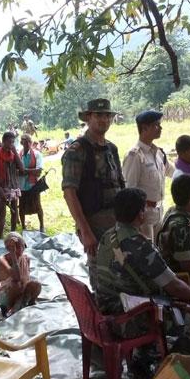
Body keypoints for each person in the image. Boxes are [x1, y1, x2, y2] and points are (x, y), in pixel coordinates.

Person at [96, 188, 190, 365]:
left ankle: (146, 355)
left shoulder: (108, 235)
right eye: (144, 209)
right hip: (127, 317)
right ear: (140, 214)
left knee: (178, 304)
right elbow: (174, 285)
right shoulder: (138, 245)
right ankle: (175, 364)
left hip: (106, 307)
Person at [62, 98, 124, 288]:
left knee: (120, 271)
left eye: (107, 115)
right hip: (94, 222)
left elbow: (119, 185)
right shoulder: (77, 150)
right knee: (101, 275)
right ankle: (102, 314)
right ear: (88, 118)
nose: (103, 120)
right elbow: (69, 192)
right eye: (98, 115)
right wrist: (85, 230)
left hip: (117, 222)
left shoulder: (111, 148)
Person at [122, 110, 174, 240]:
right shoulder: (135, 156)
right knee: (147, 253)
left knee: (159, 249)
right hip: (143, 214)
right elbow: (129, 189)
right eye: (156, 125)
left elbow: (173, 172)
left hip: (159, 210)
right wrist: (136, 216)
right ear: (144, 128)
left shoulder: (158, 153)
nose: (160, 128)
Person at [0, 232, 41, 317]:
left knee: (36, 284)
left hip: (21, 292)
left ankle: (24, 303)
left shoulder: (26, 258)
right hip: (7, 296)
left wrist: (28, 289)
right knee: (15, 283)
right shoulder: (2, 260)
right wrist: (13, 254)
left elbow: (26, 279)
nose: (19, 249)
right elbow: (17, 277)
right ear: (8, 248)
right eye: (15, 247)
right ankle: (12, 308)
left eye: (22, 246)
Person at [0, 131, 24, 238]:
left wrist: (14, 150)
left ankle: (12, 235)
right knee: (2, 213)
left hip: (13, 186)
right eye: (10, 142)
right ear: (3, 141)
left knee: (14, 211)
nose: (11, 144)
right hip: (2, 187)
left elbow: (22, 168)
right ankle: (0, 237)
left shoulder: (13, 154)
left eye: (13, 142)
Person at [18, 133, 44, 232]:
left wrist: (24, 171)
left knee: (37, 205)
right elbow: (16, 170)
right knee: (21, 207)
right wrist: (29, 171)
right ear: (21, 143)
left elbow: (38, 171)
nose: (27, 144)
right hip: (22, 185)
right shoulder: (19, 154)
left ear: (31, 142)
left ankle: (42, 226)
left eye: (28, 142)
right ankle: (24, 227)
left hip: (33, 184)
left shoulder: (37, 154)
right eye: (24, 142)